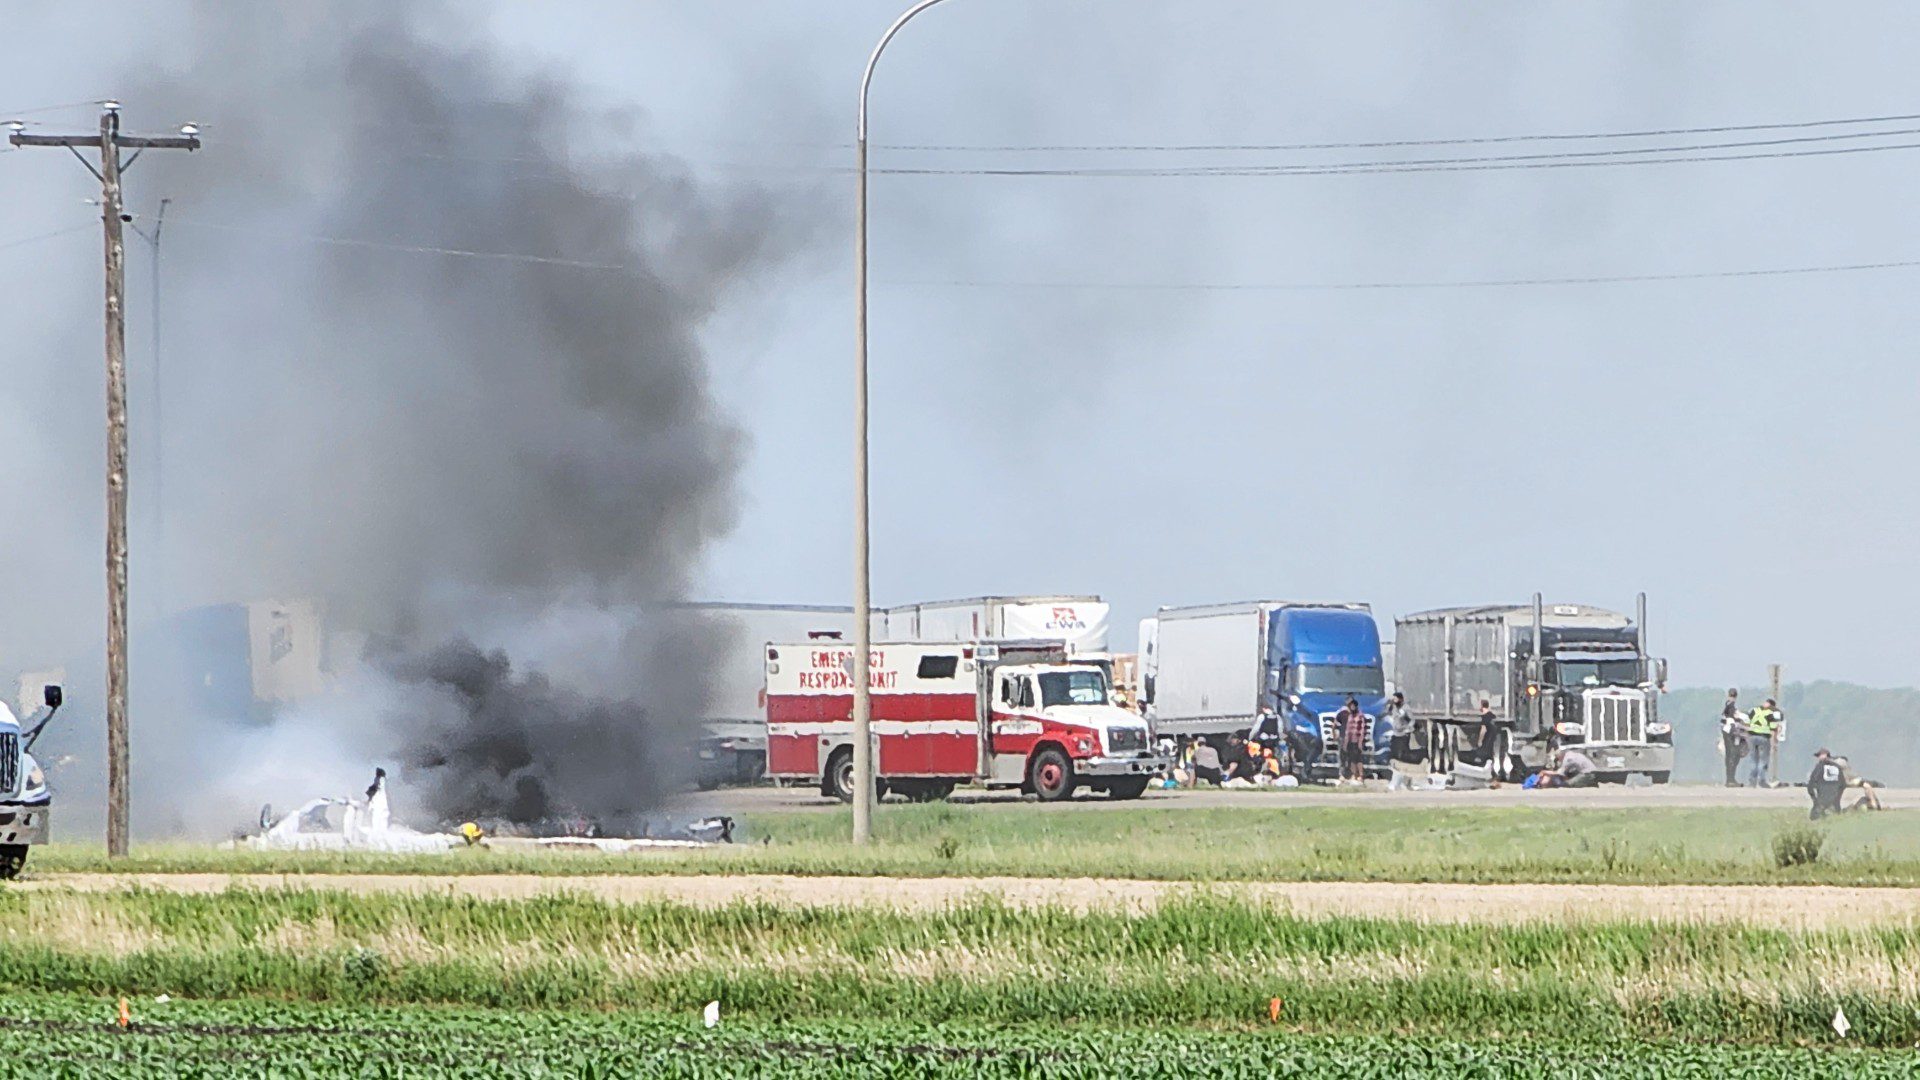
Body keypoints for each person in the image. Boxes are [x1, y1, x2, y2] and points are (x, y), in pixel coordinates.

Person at [1383, 691, 1420, 792]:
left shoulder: (1405, 708)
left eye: (1396, 698)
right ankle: (1395, 778)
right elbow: (1387, 713)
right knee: (1393, 755)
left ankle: (1404, 779)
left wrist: (1408, 728)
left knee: (1401, 755)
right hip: (1395, 733)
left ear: (1400, 699)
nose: (1394, 700)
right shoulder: (1393, 707)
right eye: (1394, 698)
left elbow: (1412, 720)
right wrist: (1388, 705)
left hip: (1403, 734)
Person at [1745, 698, 1780, 787]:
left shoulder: (1754, 710)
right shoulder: (1770, 713)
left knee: (1753, 760)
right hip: (1764, 737)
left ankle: (1752, 781)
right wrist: (1774, 742)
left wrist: (1747, 736)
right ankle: (1761, 780)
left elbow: (1747, 723)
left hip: (1752, 737)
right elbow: (1773, 729)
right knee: (1763, 760)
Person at [1337, 696, 1369, 785]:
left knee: (1358, 759)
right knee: (1351, 759)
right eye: (1351, 706)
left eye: (1353, 705)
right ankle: (1353, 775)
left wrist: (1360, 742)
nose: (1352, 707)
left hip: (1357, 740)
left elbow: (1362, 730)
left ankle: (1361, 776)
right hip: (1350, 740)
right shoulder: (1350, 716)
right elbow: (1348, 730)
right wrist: (1345, 742)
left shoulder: (1360, 715)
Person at [1719, 688, 1747, 787]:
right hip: (1730, 733)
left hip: (1728, 732)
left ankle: (1730, 779)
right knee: (1732, 755)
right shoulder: (1730, 707)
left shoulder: (1728, 706)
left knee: (1731, 755)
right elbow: (1734, 718)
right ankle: (1730, 779)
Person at [1807, 748, 1845, 820]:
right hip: (1835, 803)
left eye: (1819, 755)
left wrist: (1815, 800)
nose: (1818, 758)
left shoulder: (1819, 767)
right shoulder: (1837, 767)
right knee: (1836, 820)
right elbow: (1843, 785)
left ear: (1824, 755)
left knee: (1814, 818)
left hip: (1821, 801)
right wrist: (1837, 799)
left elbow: (1810, 785)